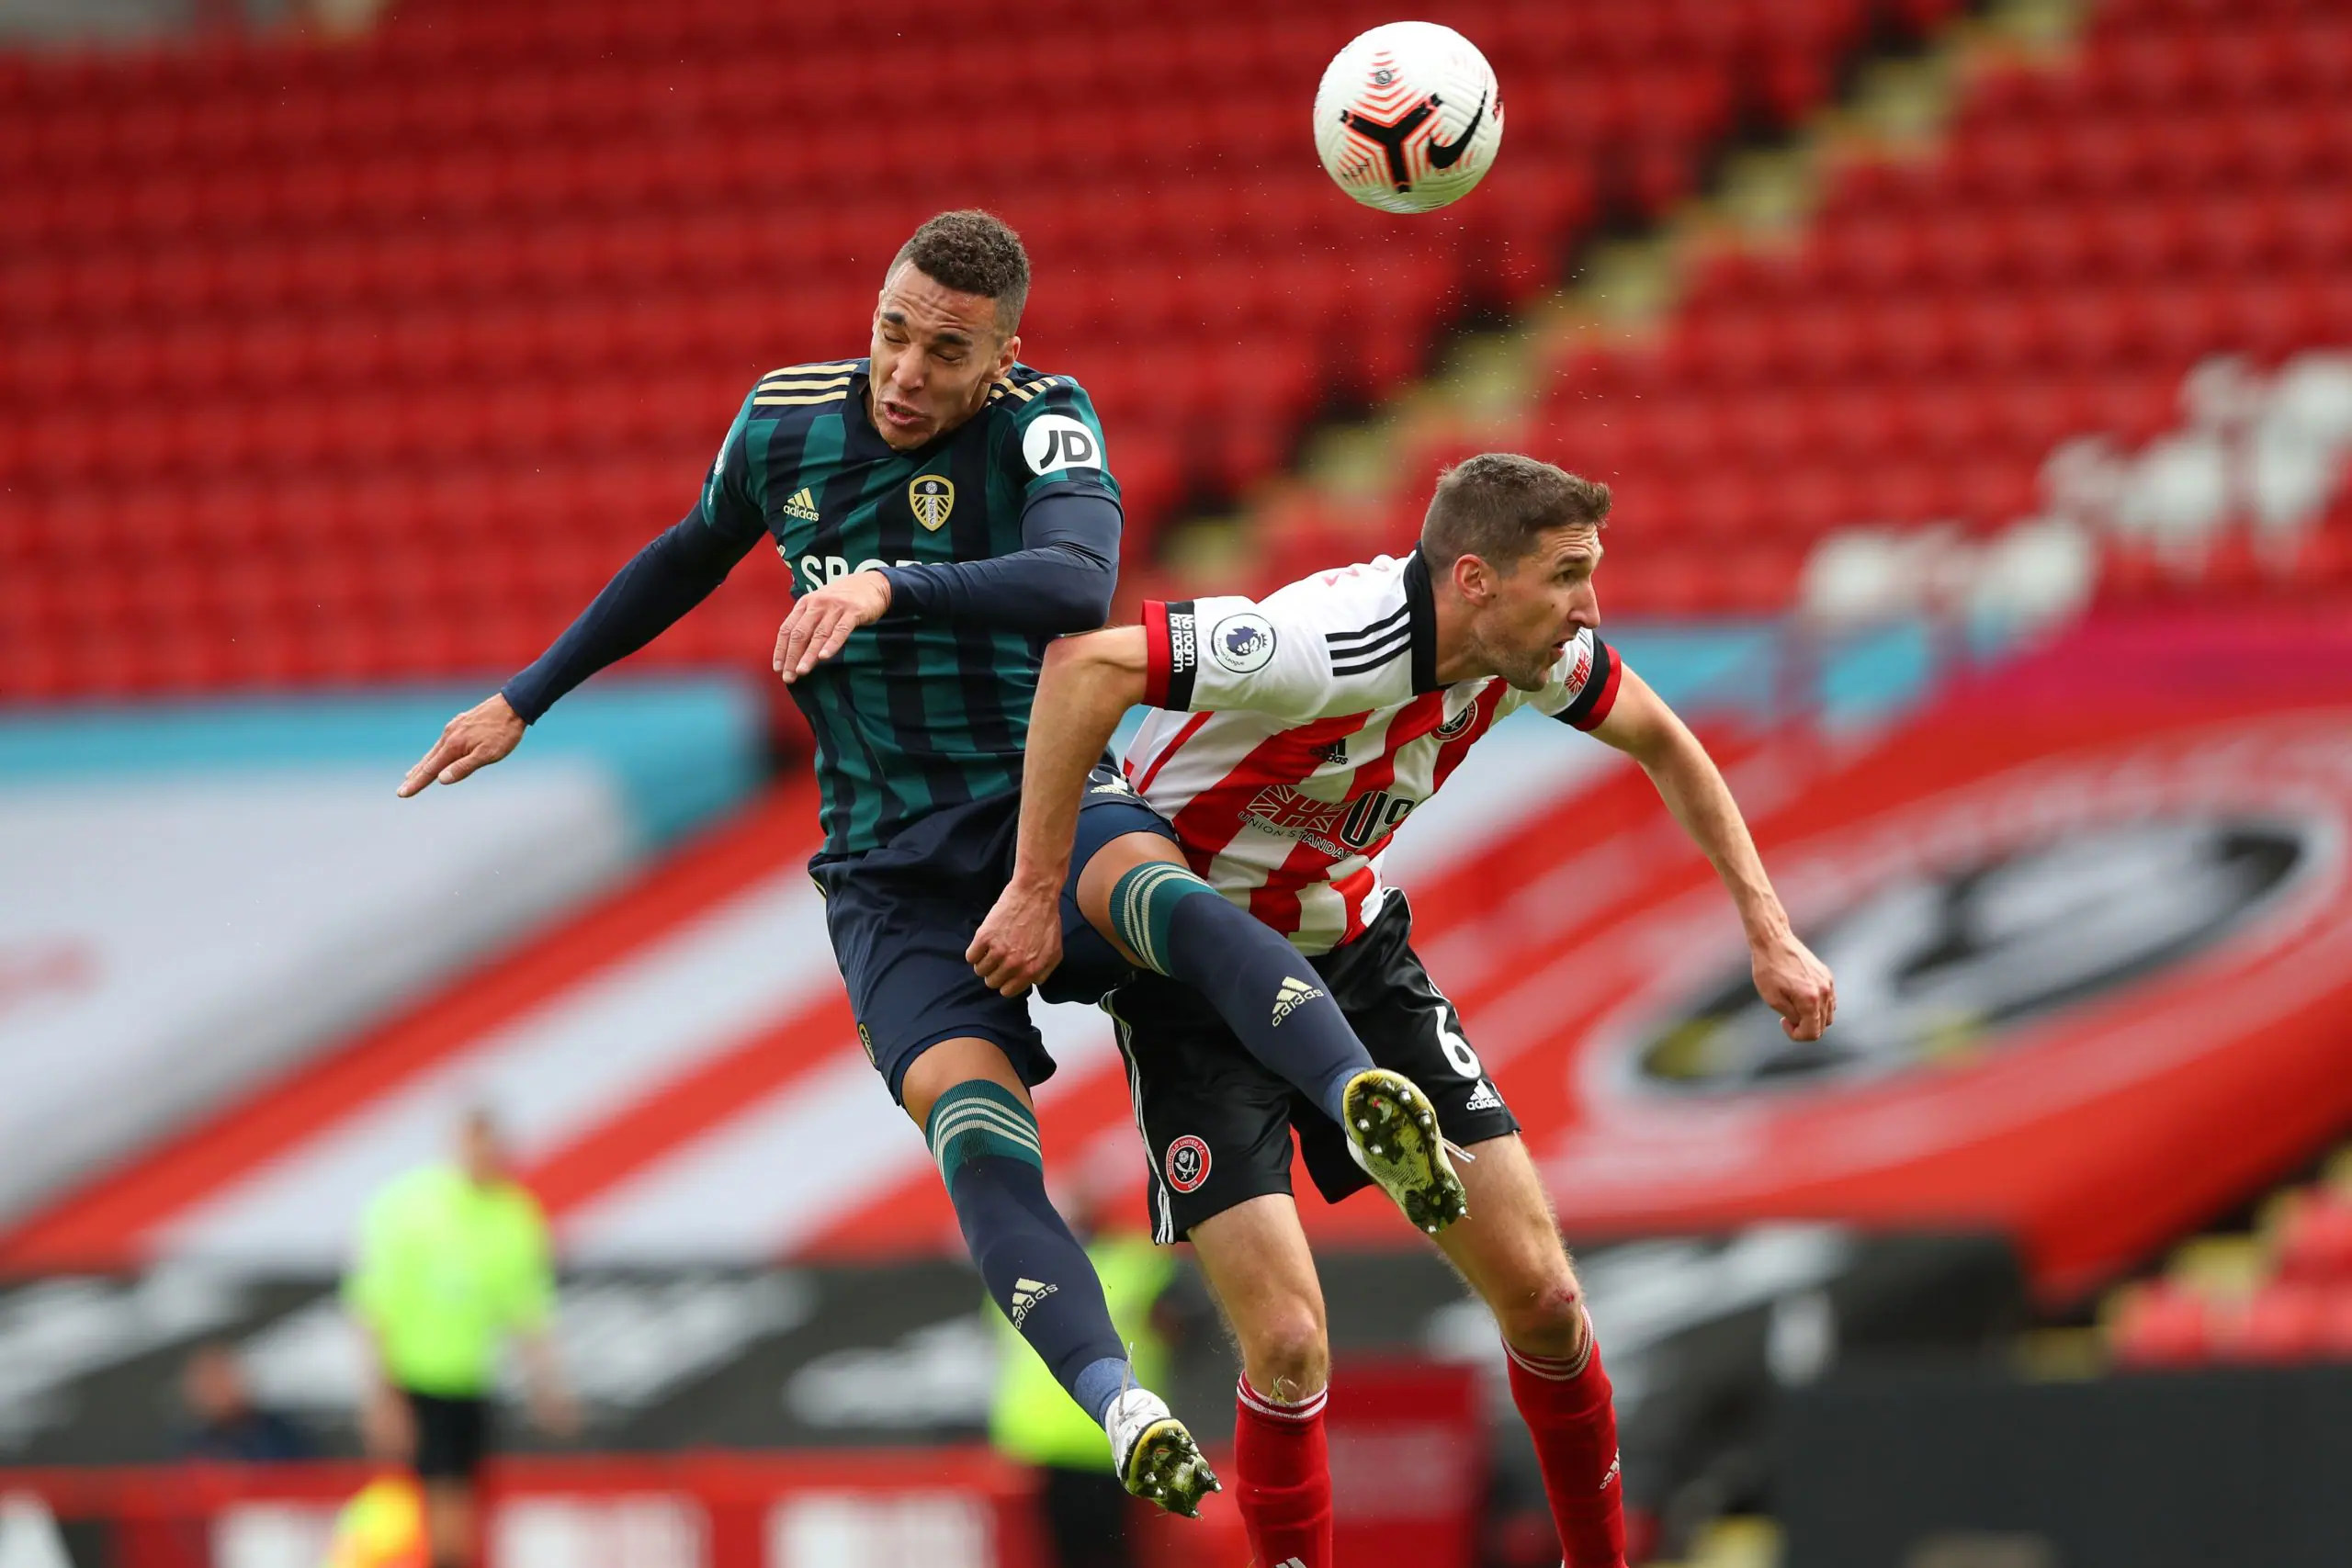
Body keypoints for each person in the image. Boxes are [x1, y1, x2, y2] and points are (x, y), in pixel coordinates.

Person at [393, 210, 1460, 1517]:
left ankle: (1360, 1095)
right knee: (974, 1131)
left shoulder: (1042, 421)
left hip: (1036, 801)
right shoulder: (782, 422)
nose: (905, 371)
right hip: (886, 873)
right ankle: (1119, 1403)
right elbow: (686, 551)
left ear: (1002, 355)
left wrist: (888, 584)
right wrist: (527, 696)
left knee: (1161, 898)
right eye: (891, 332)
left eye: (946, 352)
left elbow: (1076, 582)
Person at [968, 453, 1839, 1568]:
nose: (1589, 607)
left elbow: (1666, 739)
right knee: (1287, 1344)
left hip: (1351, 955)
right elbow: (1085, 662)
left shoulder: (1531, 654)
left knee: (1545, 1301)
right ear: (1475, 579)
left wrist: (1768, 930)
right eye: (1565, 575)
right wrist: (1037, 885)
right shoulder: (1324, 643)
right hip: (1195, 983)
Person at [344, 1110, 577, 1568]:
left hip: (469, 1382)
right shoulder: (412, 1207)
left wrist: (547, 1388)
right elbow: (374, 1306)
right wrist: (383, 1394)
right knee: (419, 1507)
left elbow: (528, 1312)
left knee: (460, 1506)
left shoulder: (513, 1216)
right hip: (415, 1379)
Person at [990, 1163, 1202, 1568]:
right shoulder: (1125, 1263)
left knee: (1103, 1553)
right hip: (1059, 1442)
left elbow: (1181, 1323)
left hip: (1109, 1439)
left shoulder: (1127, 1262)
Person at [179, 1338, 312, 1463]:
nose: (217, 1388)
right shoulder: (190, 1447)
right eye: (208, 1382)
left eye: (221, 1377)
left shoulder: (281, 1435)